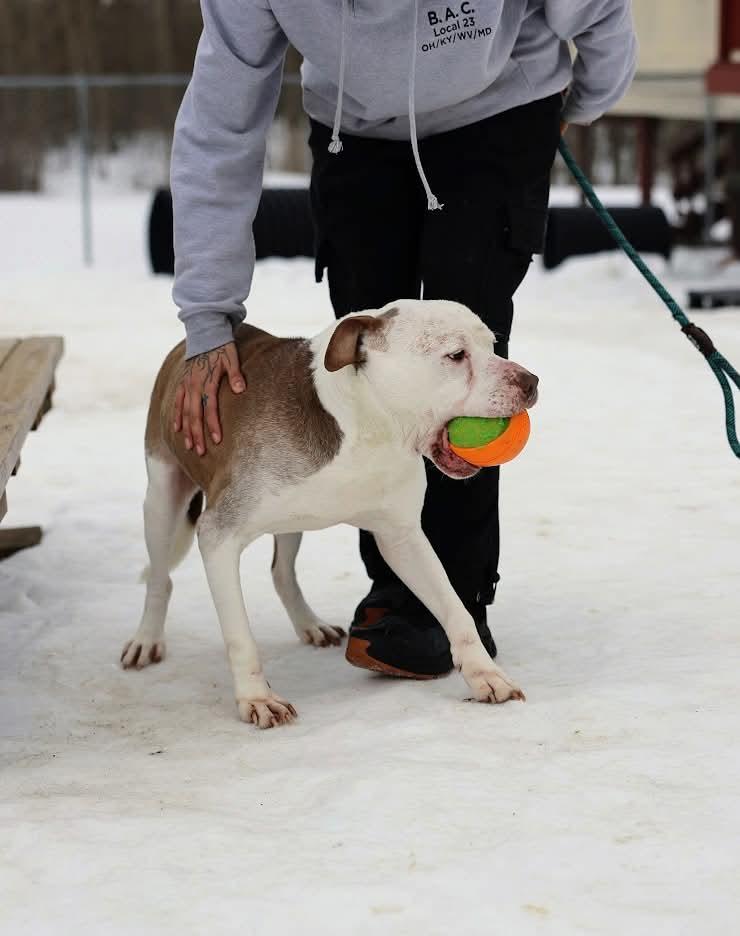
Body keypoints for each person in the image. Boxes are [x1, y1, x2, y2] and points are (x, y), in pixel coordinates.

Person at [170, 0, 637, 678]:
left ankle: (456, 596)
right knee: (372, 365)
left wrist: (581, 102)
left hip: (500, 110)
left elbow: (599, 12)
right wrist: (209, 319)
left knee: (463, 359)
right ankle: (396, 588)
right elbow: (219, 122)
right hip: (353, 132)